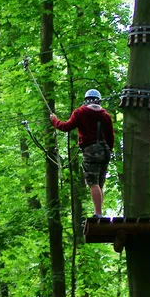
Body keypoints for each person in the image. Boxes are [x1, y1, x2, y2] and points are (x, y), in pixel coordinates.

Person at [50, 89, 114, 218]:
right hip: (105, 151)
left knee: (92, 182)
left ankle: (98, 214)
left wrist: (54, 121)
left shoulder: (80, 112)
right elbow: (110, 137)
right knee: (99, 183)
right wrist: (108, 151)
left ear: (86, 100)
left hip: (91, 150)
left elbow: (65, 127)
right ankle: (99, 211)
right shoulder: (106, 116)